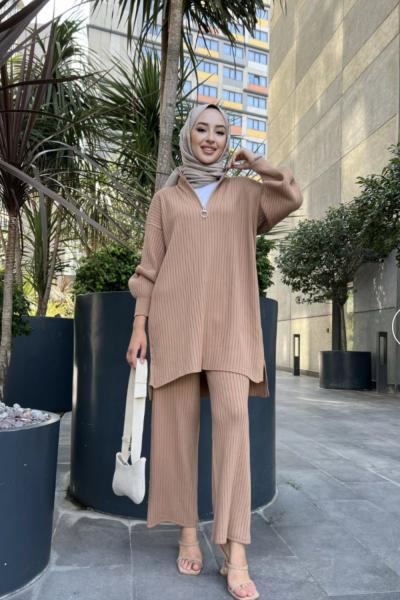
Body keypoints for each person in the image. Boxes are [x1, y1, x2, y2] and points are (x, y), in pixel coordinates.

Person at [126, 103, 303, 600]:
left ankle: (235, 549)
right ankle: (188, 530)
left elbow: (291, 195)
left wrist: (259, 164)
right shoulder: (166, 200)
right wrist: (139, 325)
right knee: (177, 430)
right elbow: (149, 268)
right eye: (202, 129)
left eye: (220, 132)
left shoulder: (246, 194)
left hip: (232, 326)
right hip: (175, 324)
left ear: (229, 141)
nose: (210, 138)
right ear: (188, 135)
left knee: (234, 427)